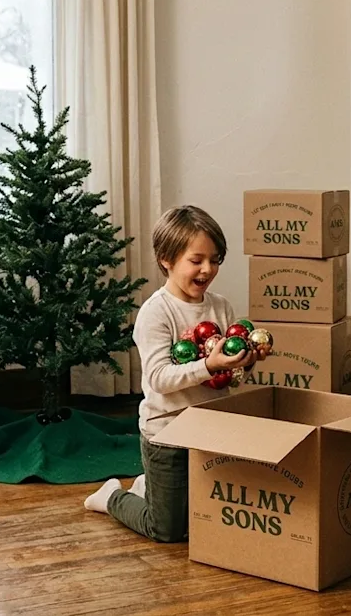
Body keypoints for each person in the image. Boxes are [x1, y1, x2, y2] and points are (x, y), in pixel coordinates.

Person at [83, 205, 268, 542]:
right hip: (166, 432)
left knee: (206, 517)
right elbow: (159, 379)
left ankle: (148, 487)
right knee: (166, 530)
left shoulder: (221, 306)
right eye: (196, 261)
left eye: (214, 260)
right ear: (166, 259)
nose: (207, 269)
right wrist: (208, 365)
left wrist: (249, 357)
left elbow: (231, 375)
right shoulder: (156, 312)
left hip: (211, 430)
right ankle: (111, 496)